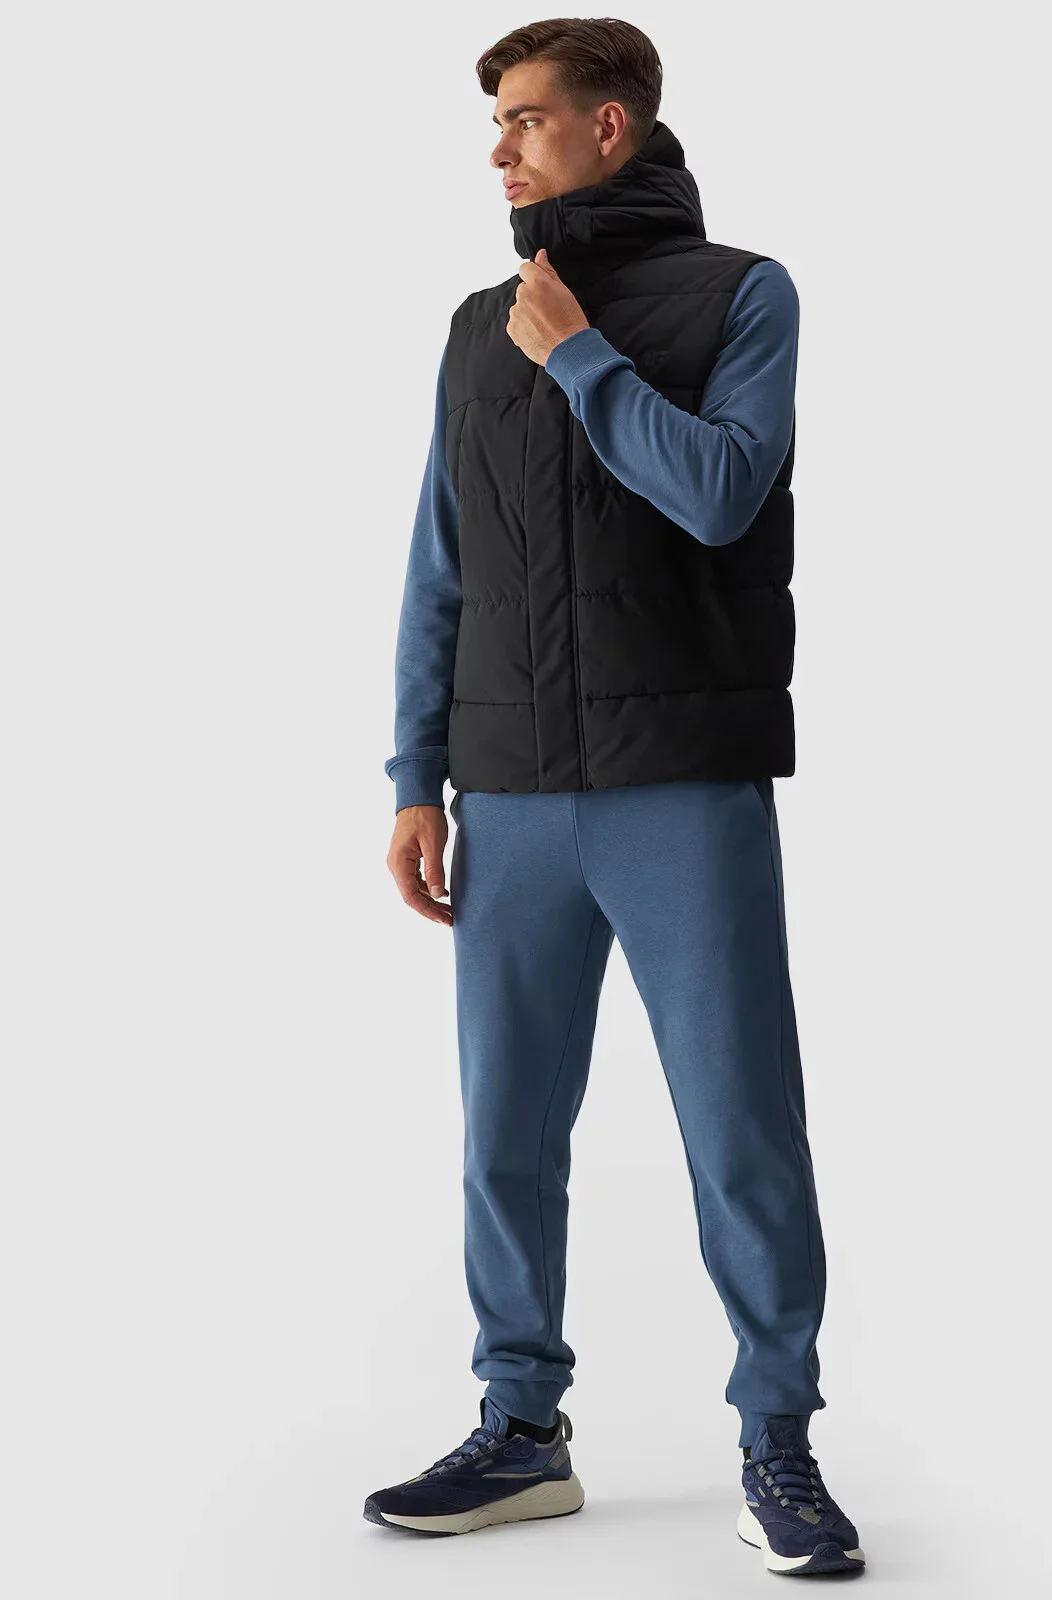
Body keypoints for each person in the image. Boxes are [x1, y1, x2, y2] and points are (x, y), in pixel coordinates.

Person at [363, 17, 866, 1578]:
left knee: (741, 1128)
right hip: (508, 793)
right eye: (496, 123)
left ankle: (777, 1442)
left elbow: (721, 492)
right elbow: (440, 566)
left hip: (681, 790)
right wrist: (416, 776)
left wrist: (583, 356)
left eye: (525, 119)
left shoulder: (742, 294)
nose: (499, 150)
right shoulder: (478, 327)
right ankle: (522, 1429)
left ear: (611, 127)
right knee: (505, 1132)